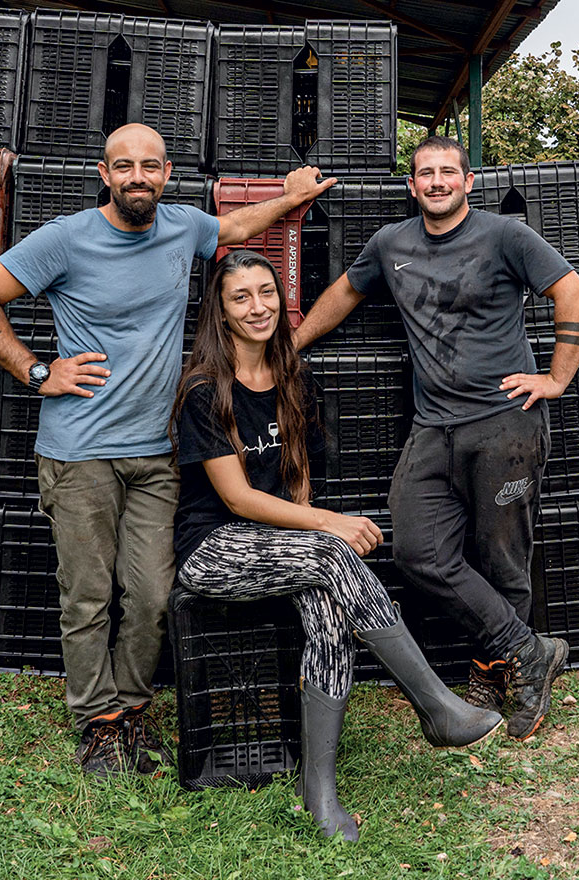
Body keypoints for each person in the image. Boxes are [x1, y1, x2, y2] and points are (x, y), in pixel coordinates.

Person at [0, 123, 336, 777]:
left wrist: (292, 193)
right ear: (105, 174)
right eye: (124, 166)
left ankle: (129, 708)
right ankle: (98, 724)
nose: (138, 176)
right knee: (88, 595)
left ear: (165, 175)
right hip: (79, 453)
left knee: (154, 594)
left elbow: (238, 230)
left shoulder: (182, 227)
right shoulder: (67, 239)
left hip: (158, 455)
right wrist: (38, 372)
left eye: (151, 166)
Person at [172, 248, 502, 839]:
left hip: (282, 548)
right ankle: (434, 704)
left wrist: (313, 525)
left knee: (328, 606)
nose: (258, 307)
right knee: (333, 550)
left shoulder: (297, 381)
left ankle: (317, 788)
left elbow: (298, 483)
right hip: (213, 550)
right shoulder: (204, 390)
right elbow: (237, 499)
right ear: (220, 314)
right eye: (240, 298)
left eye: (266, 293)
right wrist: (328, 525)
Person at [295, 135, 579, 741]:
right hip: (434, 424)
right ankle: (528, 650)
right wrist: (289, 345)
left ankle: (498, 671)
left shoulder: (504, 236)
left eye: (446, 173)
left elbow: (574, 291)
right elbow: (345, 293)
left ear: (468, 181)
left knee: (502, 555)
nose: (436, 182)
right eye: (424, 174)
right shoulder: (392, 244)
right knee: (417, 552)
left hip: (505, 421)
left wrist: (557, 378)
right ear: (412, 186)